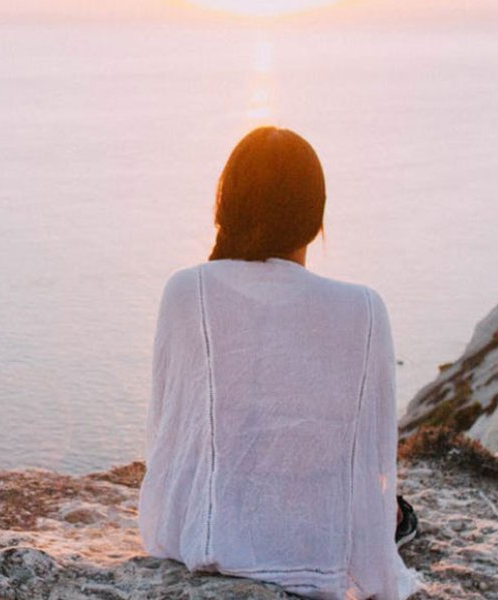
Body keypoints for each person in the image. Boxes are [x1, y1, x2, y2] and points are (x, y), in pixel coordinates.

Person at [138, 126, 420, 599]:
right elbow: (372, 449)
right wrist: (379, 511)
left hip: (209, 535)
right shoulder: (365, 309)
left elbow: (168, 438)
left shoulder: (186, 291)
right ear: (314, 218)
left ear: (225, 206)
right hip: (317, 543)